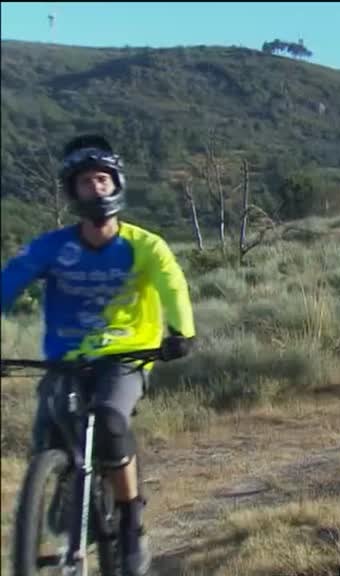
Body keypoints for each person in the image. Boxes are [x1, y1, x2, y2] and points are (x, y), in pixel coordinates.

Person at [0, 134, 196, 576]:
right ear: (74, 192)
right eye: (87, 182)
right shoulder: (51, 246)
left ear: (117, 184)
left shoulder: (145, 246)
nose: (97, 188)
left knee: (109, 420)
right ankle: (64, 489)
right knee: (47, 433)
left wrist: (182, 333)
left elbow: (173, 285)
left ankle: (130, 523)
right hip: (64, 358)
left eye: (103, 179)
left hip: (125, 357)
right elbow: (8, 281)